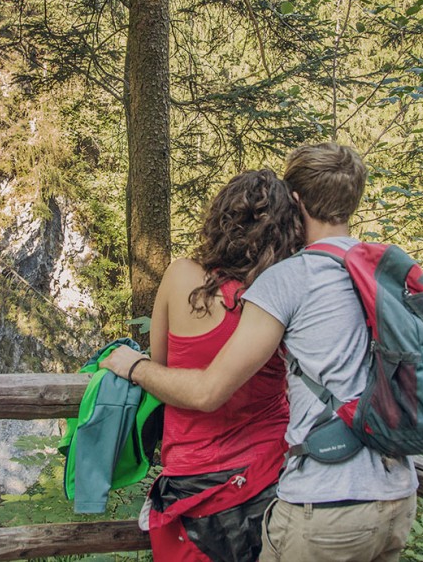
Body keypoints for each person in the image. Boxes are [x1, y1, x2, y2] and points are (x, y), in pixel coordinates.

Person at [104, 143, 418, 562]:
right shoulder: (379, 269)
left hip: (320, 500)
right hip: (393, 493)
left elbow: (205, 390)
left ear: (297, 201)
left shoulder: (285, 282)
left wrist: (135, 366)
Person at [143, 169, 304, 562]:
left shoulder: (181, 276)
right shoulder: (280, 294)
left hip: (191, 484)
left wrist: (131, 367)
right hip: (273, 479)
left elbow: (159, 366)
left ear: (220, 219)